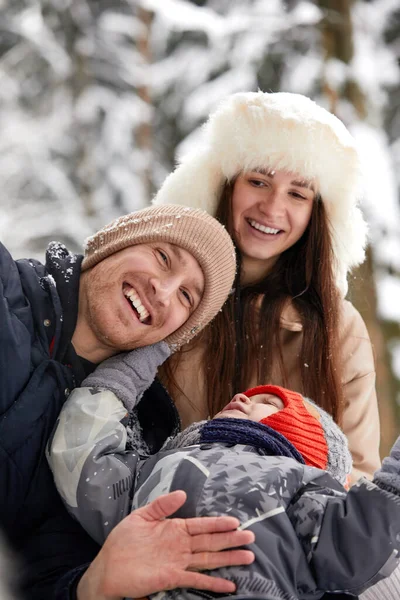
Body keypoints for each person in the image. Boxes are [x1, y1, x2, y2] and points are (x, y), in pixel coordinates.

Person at [0, 203, 258, 599]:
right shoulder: (6, 289)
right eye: (163, 257)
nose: (164, 290)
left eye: (187, 297)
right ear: (114, 243)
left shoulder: (114, 455)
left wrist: (92, 584)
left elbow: (42, 575)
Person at [47, 341, 400, 600]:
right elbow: (80, 458)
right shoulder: (153, 467)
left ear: (299, 440)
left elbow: (368, 533)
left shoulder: (300, 485)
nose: (243, 397)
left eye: (266, 403)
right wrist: (131, 369)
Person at [151, 91, 380, 483]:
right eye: (258, 181)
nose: (273, 209)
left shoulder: (338, 329)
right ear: (225, 185)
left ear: (316, 212)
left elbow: (356, 477)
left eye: (297, 193)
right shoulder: (166, 288)